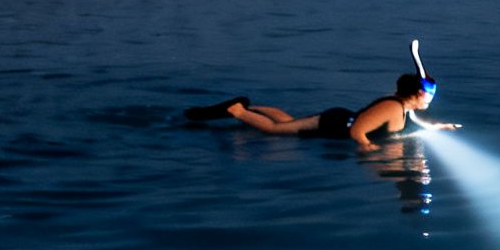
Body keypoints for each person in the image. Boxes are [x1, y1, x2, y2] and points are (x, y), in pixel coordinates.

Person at [184, 72, 457, 151]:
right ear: (415, 94)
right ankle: (237, 111)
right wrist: (366, 147)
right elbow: (358, 130)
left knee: (292, 122)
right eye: (428, 93)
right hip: (335, 124)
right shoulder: (391, 106)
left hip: (335, 118)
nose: (431, 98)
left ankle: (251, 105)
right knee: (276, 131)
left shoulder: (404, 106)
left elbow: (415, 122)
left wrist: (439, 127)